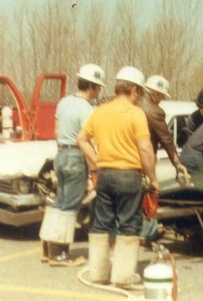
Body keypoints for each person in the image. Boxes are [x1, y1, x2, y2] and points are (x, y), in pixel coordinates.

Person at [77, 66, 159, 287]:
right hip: (128, 176)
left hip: (104, 175)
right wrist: (153, 179)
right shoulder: (136, 114)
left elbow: (81, 139)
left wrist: (96, 162)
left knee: (101, 223)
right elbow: (145, 149)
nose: (140, 96)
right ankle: (123, 277)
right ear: (133, 89)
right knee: (129, 225)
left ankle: (98, 274)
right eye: (140, 92)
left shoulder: (100, 111)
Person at [39, 63, 105, 267]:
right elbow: (87, 141)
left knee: (59, 203)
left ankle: (48, 248)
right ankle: (59, 254)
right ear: (93, 86)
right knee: (70, 206)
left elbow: (57, 132)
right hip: (76, 157)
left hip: (60, 154)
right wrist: (96, 166)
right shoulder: (88, 110)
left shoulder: (64, 102)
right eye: (99, 87)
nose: (99, 91)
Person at [137, 74, 190, 184]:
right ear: (155, 95)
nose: (163, 99)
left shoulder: (131, 101)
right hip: (144, 160)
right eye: (162, 96)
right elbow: (166, 139)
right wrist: (177, 163)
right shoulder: (155, 111)